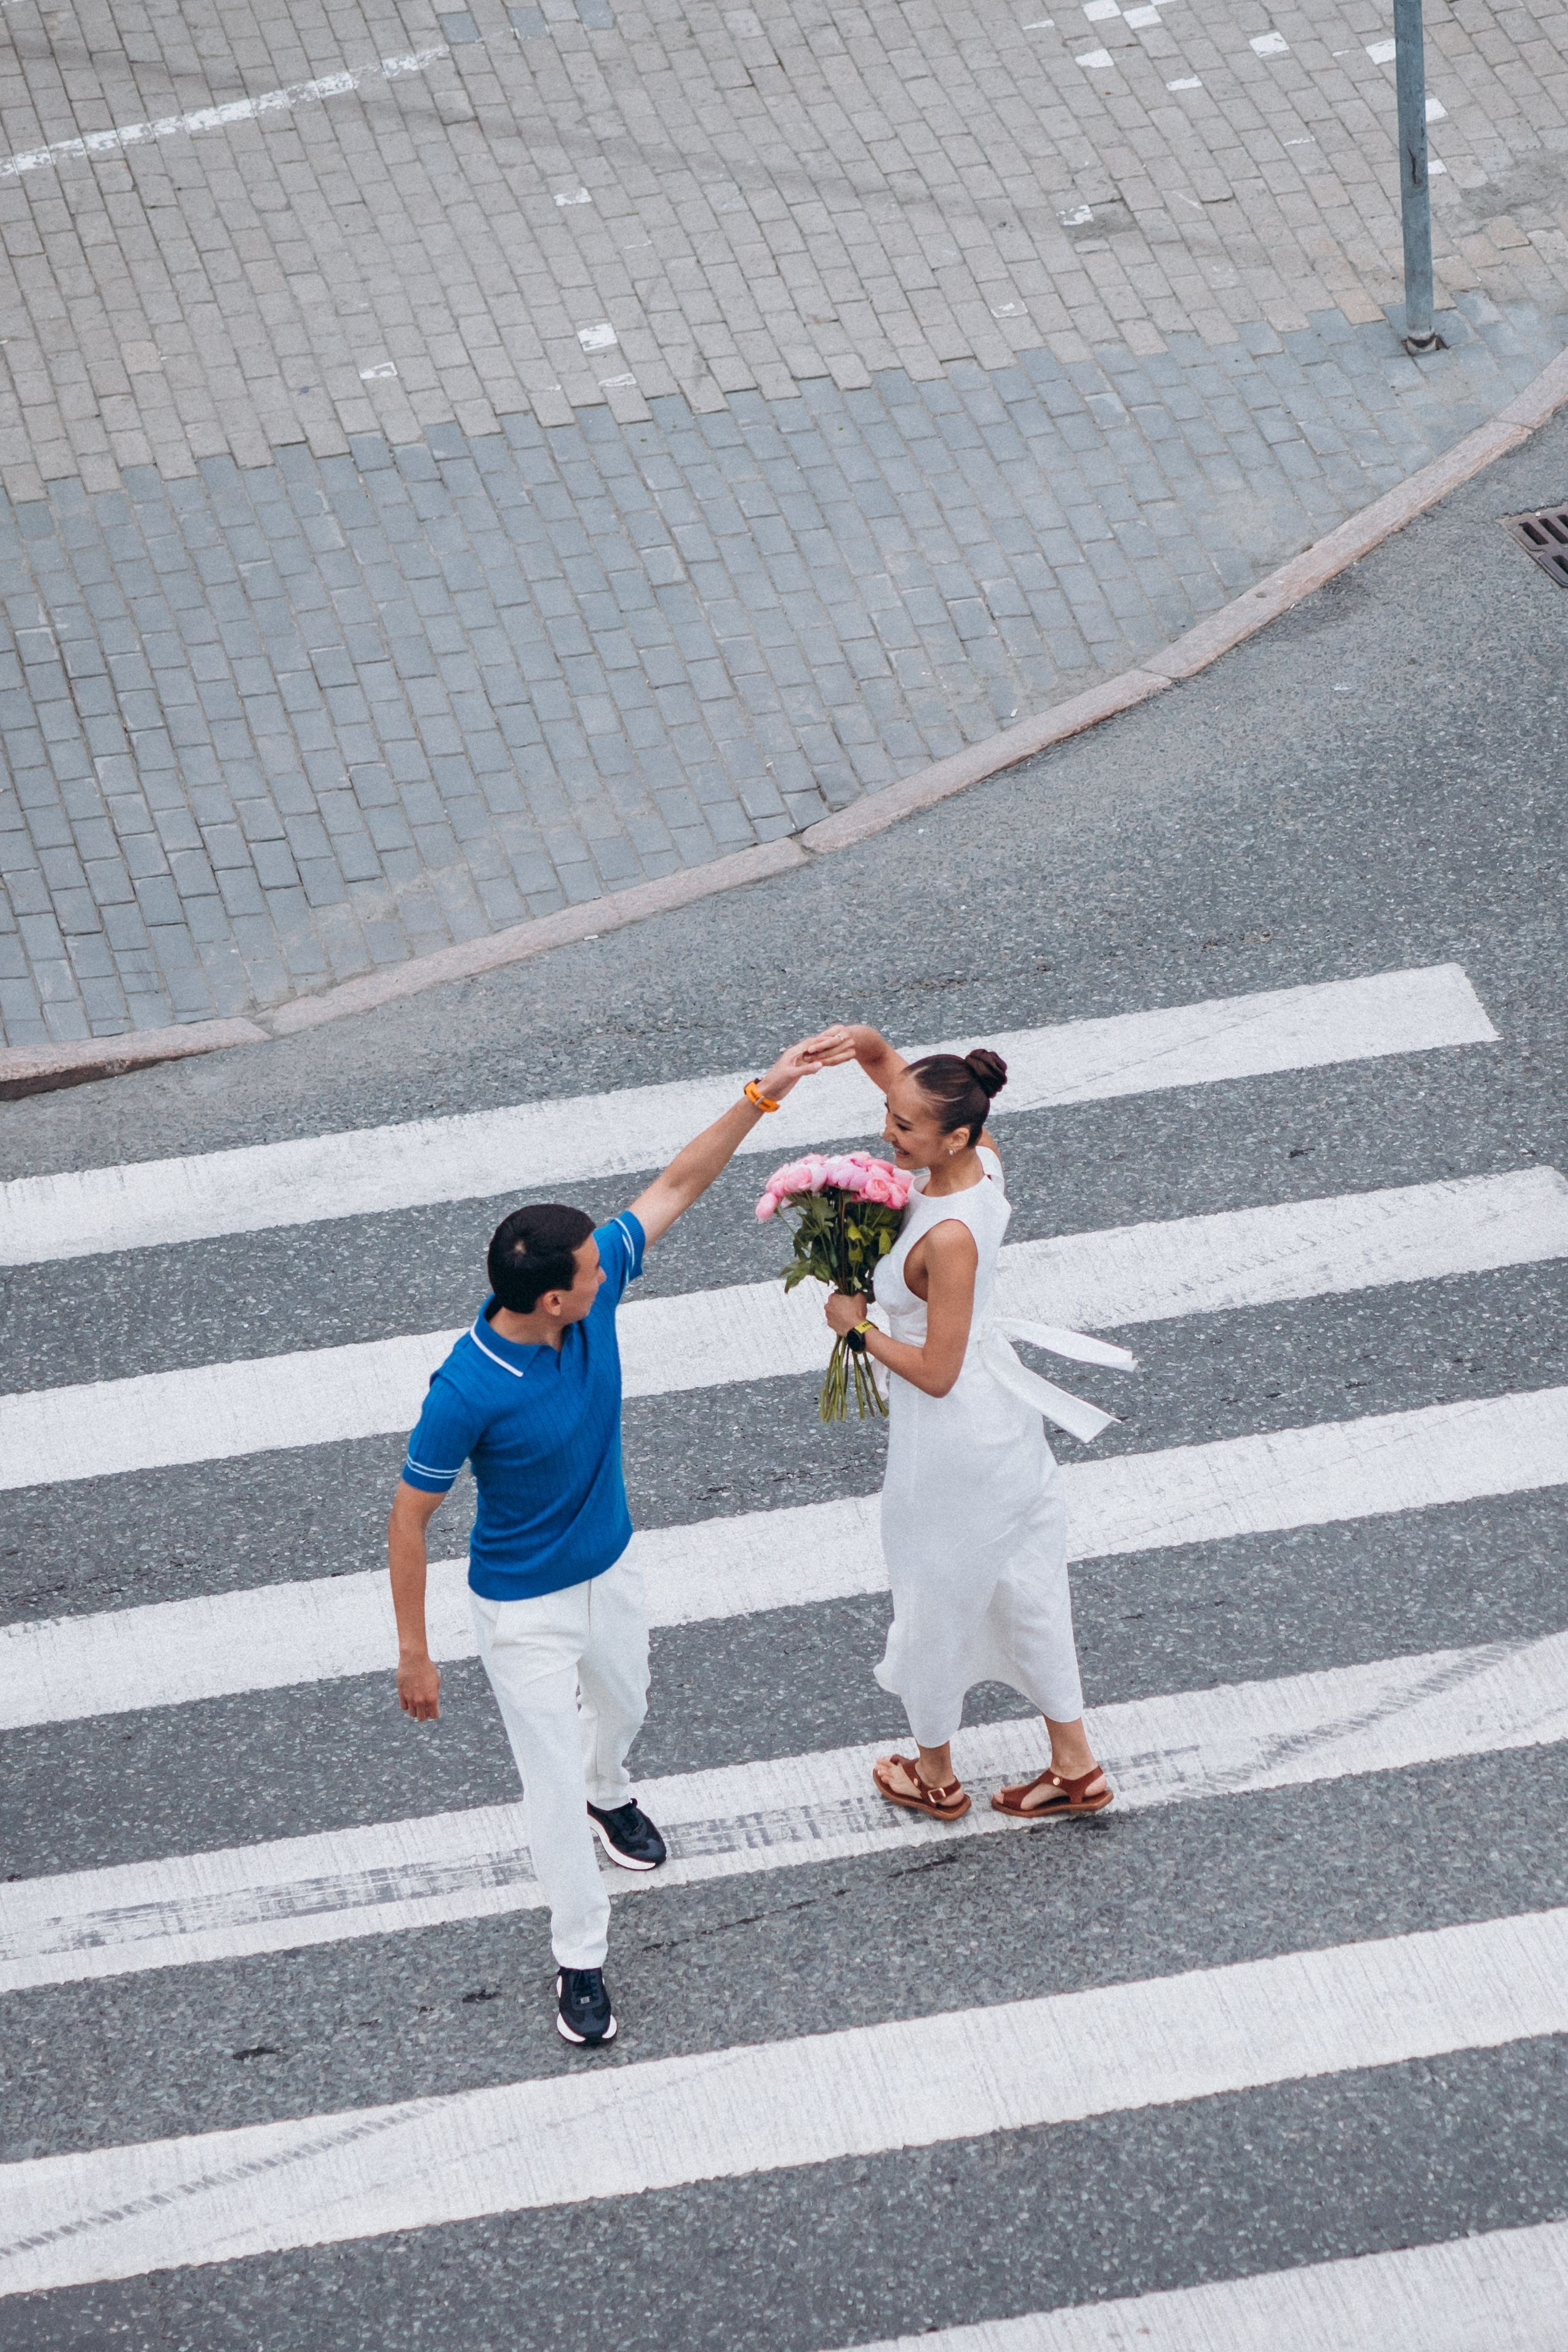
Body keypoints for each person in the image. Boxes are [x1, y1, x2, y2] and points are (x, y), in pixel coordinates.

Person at [388, 1036, 825, 2049]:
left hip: (611, 1566)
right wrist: (416, 1651)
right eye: (590, 1271)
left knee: (625, 1700)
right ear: (551, 1299)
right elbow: (410, 1516)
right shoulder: (464, 1390)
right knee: (545, 1784)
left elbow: (677, 1183)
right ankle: (578, 1958)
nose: (611, 1266)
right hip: (523, 1614)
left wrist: (763, 1093)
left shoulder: (590, 1296)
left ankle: (611, 1790)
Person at [805, 1023, 1135, 1825]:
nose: (887, 1133)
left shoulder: (947, 1238)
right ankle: (1074, 1764)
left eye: (905, 1127)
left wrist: (853, 1325)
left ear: (955, 1134)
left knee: (931, 1596)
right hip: (1006, 1429)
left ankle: (932, 1775)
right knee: (1025, 1587)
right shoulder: (981, 1167)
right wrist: (872, 1045)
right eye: (891, 1117)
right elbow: (903, 1087)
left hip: (947, 1442)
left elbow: (936, 1371)